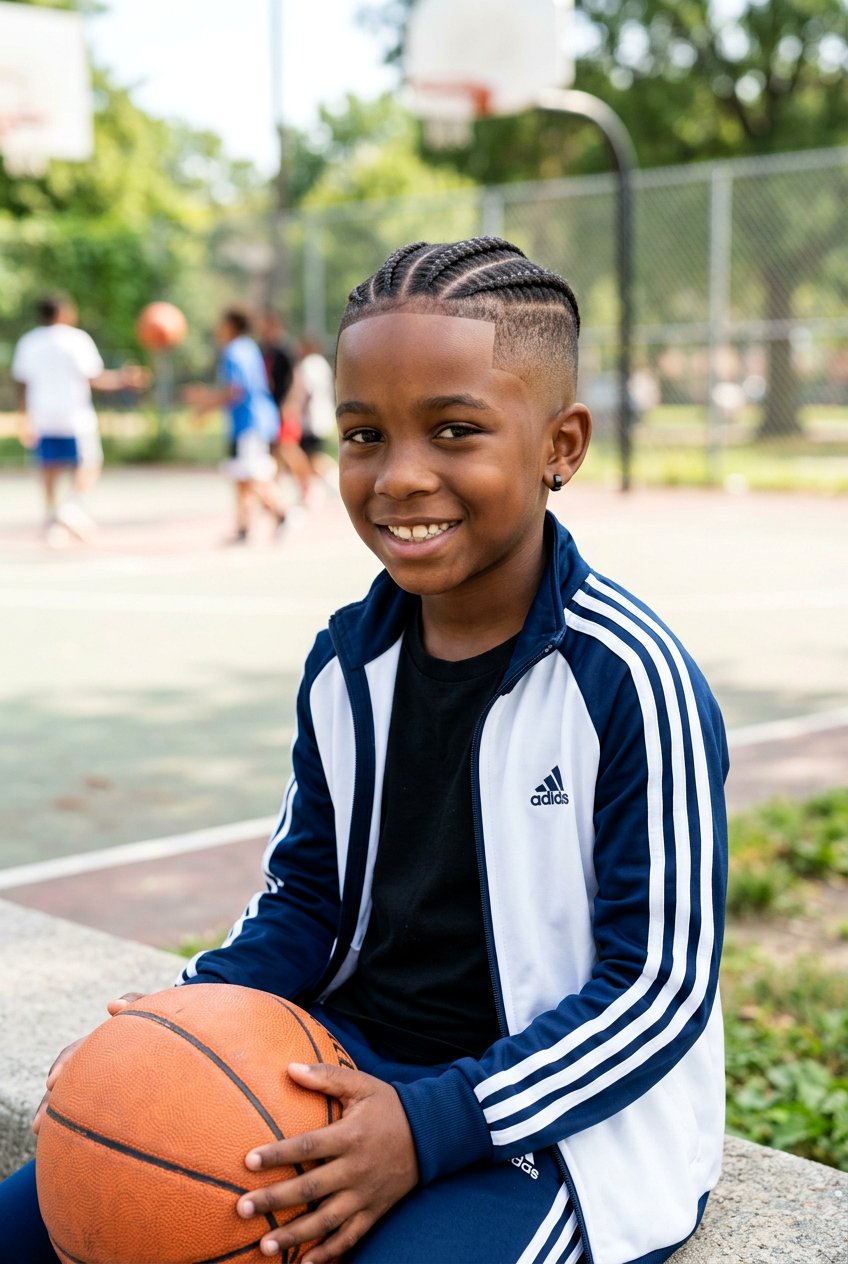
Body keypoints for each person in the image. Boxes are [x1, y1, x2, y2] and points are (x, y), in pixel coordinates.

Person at [0, 238, 729, 1264]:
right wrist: (170, 1027)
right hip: (341, 1060)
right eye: (361, 434)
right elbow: (303, 899)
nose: (400, 476)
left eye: (454, 430)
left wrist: (426, 1127)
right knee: (51, 1210)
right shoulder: (348, 661)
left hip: (553, 1130)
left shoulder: (625, 678)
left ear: (560, 442)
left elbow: (654, 992)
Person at [12, 295, 149, 544]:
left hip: (43, 416)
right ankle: (69, 510)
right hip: (74, 417)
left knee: (49, 469)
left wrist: (25, 419)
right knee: (89, 465)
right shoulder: (76, 339)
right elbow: (94, 377)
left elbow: (22, 386)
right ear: (64, 312)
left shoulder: (28, 342)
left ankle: (53, 519)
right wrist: (125, 379)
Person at [183, 308, 288, 544]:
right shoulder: (249, 347)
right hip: (253, 421)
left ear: (231, 326)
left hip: (250, 423)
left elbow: (235, 390)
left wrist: (204, 406)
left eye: (221, 323)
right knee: (241, 476)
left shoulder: (233, 351)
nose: (218, 328)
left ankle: (283, 512)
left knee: (253, 475)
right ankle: (243, 526)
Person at [258, 308, 314, 502]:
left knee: (287, 447)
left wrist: (291, 403)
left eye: (265, 324)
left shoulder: (284, 349)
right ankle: (275, 488)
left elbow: (296, 378)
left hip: (285, 407)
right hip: (270, 409)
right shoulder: (264, 349)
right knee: (276, 451)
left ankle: (307, 485)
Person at [296, 333, 339, 495]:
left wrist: (294, 408)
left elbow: (305, 392)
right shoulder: (322, 364)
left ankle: (332, 477)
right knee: (310, 455)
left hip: (311, 419)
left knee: (311, 456)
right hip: (323, 415)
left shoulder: (308, 364)